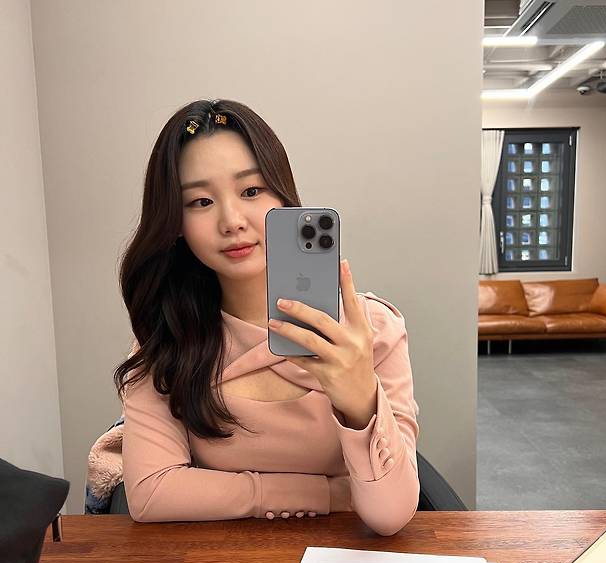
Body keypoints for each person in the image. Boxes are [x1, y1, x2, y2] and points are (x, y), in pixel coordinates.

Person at [114, 99, 420, 535]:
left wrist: (359, 399)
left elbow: (390, 516)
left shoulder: (373, 330)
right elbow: (151, 493)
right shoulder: (168, 339)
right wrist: (325, 494)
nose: (232, 221)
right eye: (201, 201)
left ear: (284, 196)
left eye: (251, 191)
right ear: (176, 224)